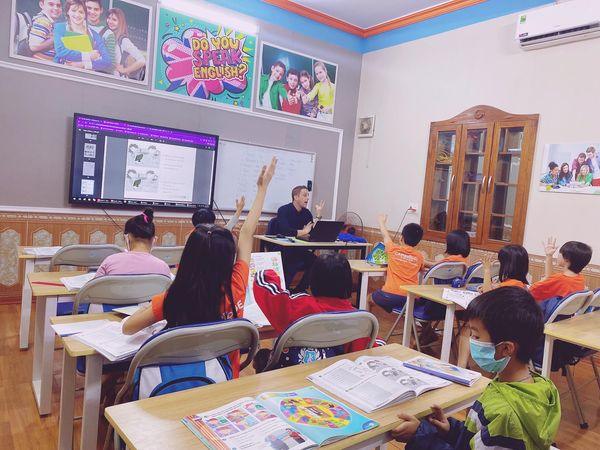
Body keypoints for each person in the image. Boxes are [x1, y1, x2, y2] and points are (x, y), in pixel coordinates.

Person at [123, 158, 277, 378]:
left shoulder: (174, 298)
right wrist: (262, 188)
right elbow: (246, 233)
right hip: (224, 378)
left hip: (180, 384)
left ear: (188, 257)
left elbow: (128, 328)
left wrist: (144, 309)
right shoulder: (236, 285)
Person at [392, 287, 560, 450]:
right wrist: (450, 430)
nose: (471, 340)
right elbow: (479, 436)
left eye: (476, 336)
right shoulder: (532, 386)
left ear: (506, 348)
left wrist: (420, 436)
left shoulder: (505, 415)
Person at [252, 253, 371, 371]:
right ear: (348, 282)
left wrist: (267, 272)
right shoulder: (359, 319)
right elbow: (366, 352)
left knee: (263, 356)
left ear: (313, 279)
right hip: (333, 375)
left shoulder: (299, 306)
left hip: (291, 373)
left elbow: (263, 284)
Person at [457, 245, 529, 367]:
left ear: (507, 265)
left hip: (500, 330)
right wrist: (494, 286)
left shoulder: (509, 285)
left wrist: (486, 270)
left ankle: (461, 367)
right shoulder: (521, 285)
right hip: (513, 330)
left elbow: (487, 296)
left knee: (467, 329)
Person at [369, 215, 424, 314]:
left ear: (401, 238)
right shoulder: (419, 257)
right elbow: (424, 265)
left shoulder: (392, 249)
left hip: (389, 296)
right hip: (411, 299)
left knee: (368, 299)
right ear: (418, 242)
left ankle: (366, 323)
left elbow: (385, 236)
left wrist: (381, 221)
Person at [95, 208, 170, 278]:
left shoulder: (110, 262)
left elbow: (94, 286)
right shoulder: (163, 267)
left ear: (126, 237)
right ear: (154, 240)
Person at [276, 185, 325, 292]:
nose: (307, 198)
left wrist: (318, 215)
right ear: (296, 197)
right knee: (293, 262)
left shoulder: (306, 213)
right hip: (283, 249)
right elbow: (285, 231)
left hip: (299, 249)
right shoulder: (283, 210)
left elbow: (312, 231)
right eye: (304, 195)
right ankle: (284, 290)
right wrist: (303, 232)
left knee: (316, 262)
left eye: (308, 195)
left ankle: (300, 289)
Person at [53, 0, 111, 71]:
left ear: (85, 15)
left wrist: (83, 64)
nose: (77, 15)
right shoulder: (60, 27)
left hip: (84, 74)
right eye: (73, 11)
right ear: (68, 12)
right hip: (60, 71)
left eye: (81, 12)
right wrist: (88, 55)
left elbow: (107, 61)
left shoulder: (94, 35)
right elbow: (61, 51)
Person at [529, 237, 591, 302]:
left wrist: (543, 280)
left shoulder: (560, 279)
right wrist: (549, 255)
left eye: (559, 252)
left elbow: (531, 291)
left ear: (566, 258)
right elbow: (551, 279)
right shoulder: (579, 279)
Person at [105, 7, 146, 80]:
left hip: (114, 79)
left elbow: (142, 60)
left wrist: (124, 70)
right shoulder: (105, 34)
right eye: (109, 18)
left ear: (120, 22)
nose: (110, 21)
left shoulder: (123, 40)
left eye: (114, 20)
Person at [85, 0, 116, 72]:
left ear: (101, 10)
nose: (92, 12)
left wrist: (85, 64)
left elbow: (111, 65)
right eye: (89, 8)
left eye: (96, 9)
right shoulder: (75, 25)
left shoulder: (108, 34)